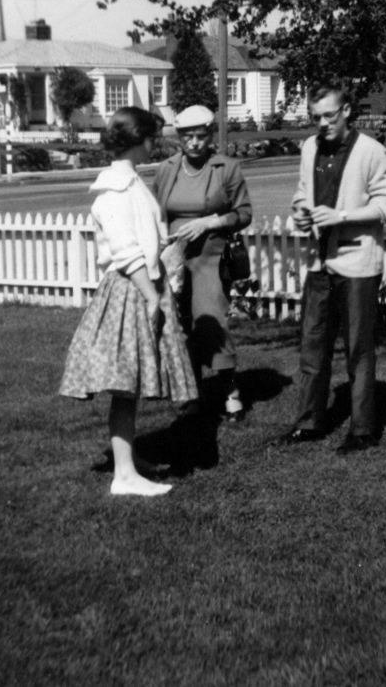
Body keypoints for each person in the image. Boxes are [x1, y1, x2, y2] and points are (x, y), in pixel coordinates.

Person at [59, 107, 198, 497]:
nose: (155, 143)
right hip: (130, 290)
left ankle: (128, 461)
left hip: (142, 285)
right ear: (137, 139)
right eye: (151, 137)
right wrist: (152, 297)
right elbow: (125, 251)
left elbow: (145, 238)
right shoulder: (114, 191)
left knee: (131, 385)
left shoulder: (131, 181)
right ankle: (123, 476)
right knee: (125, 384)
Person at [280, 83, 386, 454]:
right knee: (312, 346)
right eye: (315, 117)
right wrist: (301, 213)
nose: (322, 123)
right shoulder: (310, 148)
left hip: (358, 266)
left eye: (329, 115)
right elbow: (303, 192)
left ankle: (362, 431)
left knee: (357, 349)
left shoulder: (371, 151)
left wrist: (342, 216)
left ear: (347, 110)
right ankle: (309, 423)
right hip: (318, 263)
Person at [153, 105, 253, 422]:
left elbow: (244, 213)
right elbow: (156, 212)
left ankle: (230, 390)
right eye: (187, 137)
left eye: (200, 136)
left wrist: (209, 222)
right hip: (174, 259)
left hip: (210, 257)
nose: (194, 143)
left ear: (210, 135)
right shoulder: (166, 169)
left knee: (211, 322)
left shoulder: (226, 168)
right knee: (180, 325)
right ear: (179, 137)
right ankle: (192, 393)